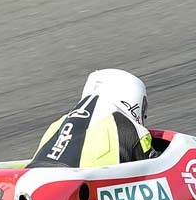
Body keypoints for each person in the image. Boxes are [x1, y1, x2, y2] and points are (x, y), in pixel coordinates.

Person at [28, 69, 158, 168]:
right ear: (133, 101)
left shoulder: (57, 124)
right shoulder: (130, 128)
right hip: (80, 192)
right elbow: (155, 168)